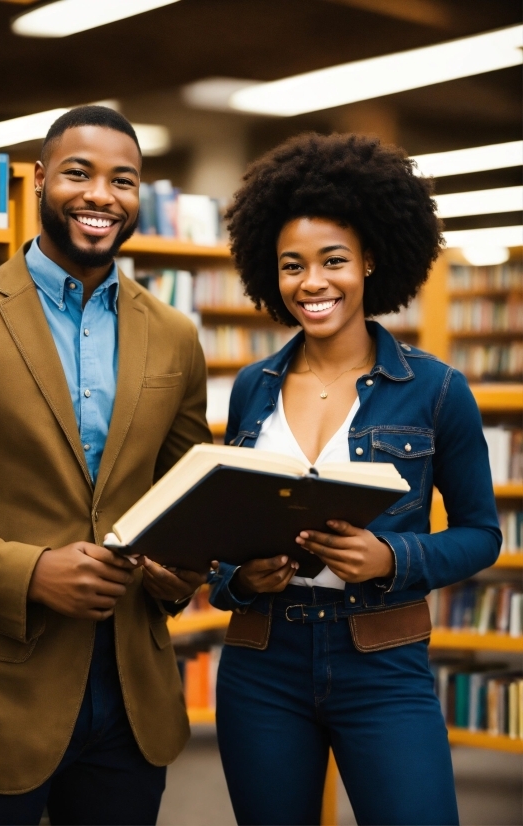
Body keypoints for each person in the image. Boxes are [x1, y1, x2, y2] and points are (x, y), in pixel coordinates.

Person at [0, 105, 211, 825]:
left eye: (124, 180)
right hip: (2, 692)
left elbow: (189, 501)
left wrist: (185, 571)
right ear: (42, 178)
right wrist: (31, 572)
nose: (101, 196)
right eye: (79, 173)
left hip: (133, 696)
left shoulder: (176, 336)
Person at [209, 132, 501, 826]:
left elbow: (481, 534)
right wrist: (239, 578)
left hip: (382, 660)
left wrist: (393, 556)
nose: (312, 283)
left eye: (332, 260)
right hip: (263, 658)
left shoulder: (435, 389)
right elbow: (226, 534)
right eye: (291, 266)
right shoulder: (252, 387)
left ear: (371, 260)